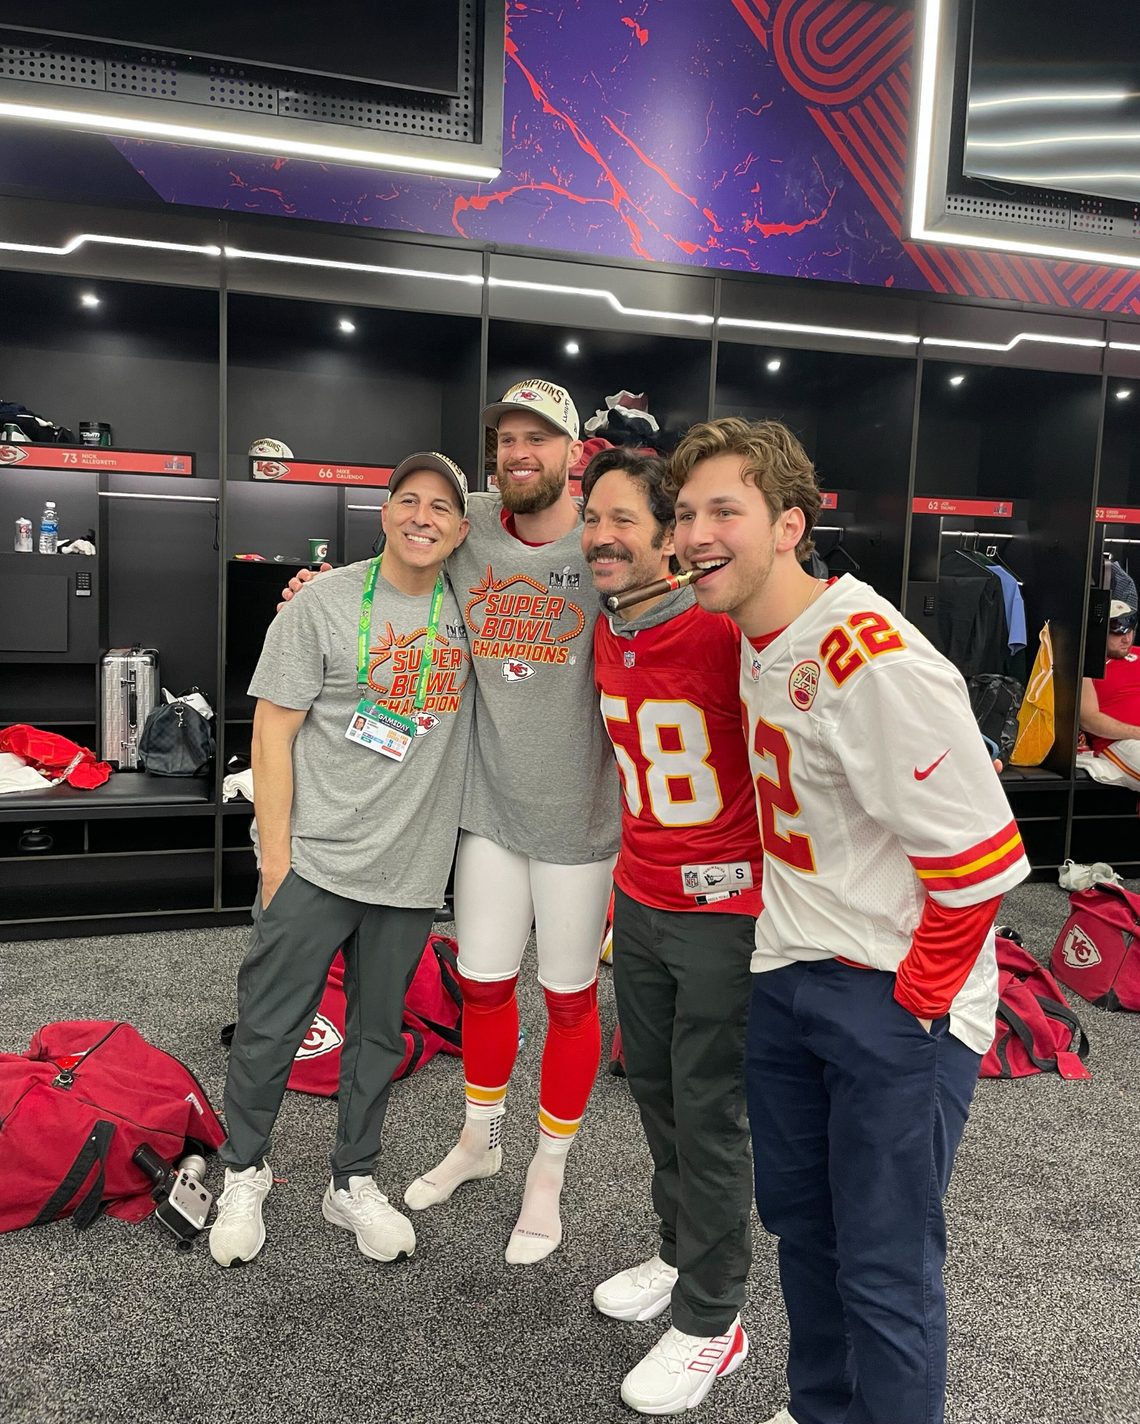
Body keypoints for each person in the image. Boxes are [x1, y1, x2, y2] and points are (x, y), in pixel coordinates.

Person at [670, 417, 1029, 1424]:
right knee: (807, 1233)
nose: (695, 533)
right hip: (790, 975)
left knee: (884, 1266)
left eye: (723, 510)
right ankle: (825, 1409)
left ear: (789, 523)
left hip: (892, 991)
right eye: (687, 512)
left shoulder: (874, 657)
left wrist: (910, 1009)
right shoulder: (756, 630)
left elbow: (981, 863)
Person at [284, 381, 620, 1265]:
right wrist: (321, 589)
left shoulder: (604, 539)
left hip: (582, 818)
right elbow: (405, 545)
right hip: (487, 812)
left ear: (573, 453)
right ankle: (481, 1140)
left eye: (537, 440)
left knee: (572, 996)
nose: (517, 453)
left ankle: (547, 1169)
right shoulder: (469, 520)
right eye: (505, 438)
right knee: (482, 983)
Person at [209, 453, 473, 1269]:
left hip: (410, 871)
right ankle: (244, 1171)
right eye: (409, 501)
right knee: (270, 1025)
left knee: (376, 1037)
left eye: (442, 507)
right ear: (384, 512)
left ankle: (351, 1179)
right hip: (315, 861)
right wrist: (277, 859)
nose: (423, 517)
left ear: (463, 529)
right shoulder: (321, 602)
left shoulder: (473, 612)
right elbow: (272, 731)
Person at [582, 447, 760, 1416]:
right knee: (653, 1088)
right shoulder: (609, 625)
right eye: (592, 519)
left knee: (709, 1109)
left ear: (669, 538)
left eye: (622, 520)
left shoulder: (723, 631)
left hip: (723, 915)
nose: (601, 537)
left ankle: (715, 1315)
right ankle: (679, 1250)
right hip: (640, 899)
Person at [1078, 599, 1140, 788]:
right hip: (1121, 742)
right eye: (1118, 633)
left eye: (1130, 631)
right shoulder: (1086, 666)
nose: (1127, 639)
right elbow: (1088, 719)